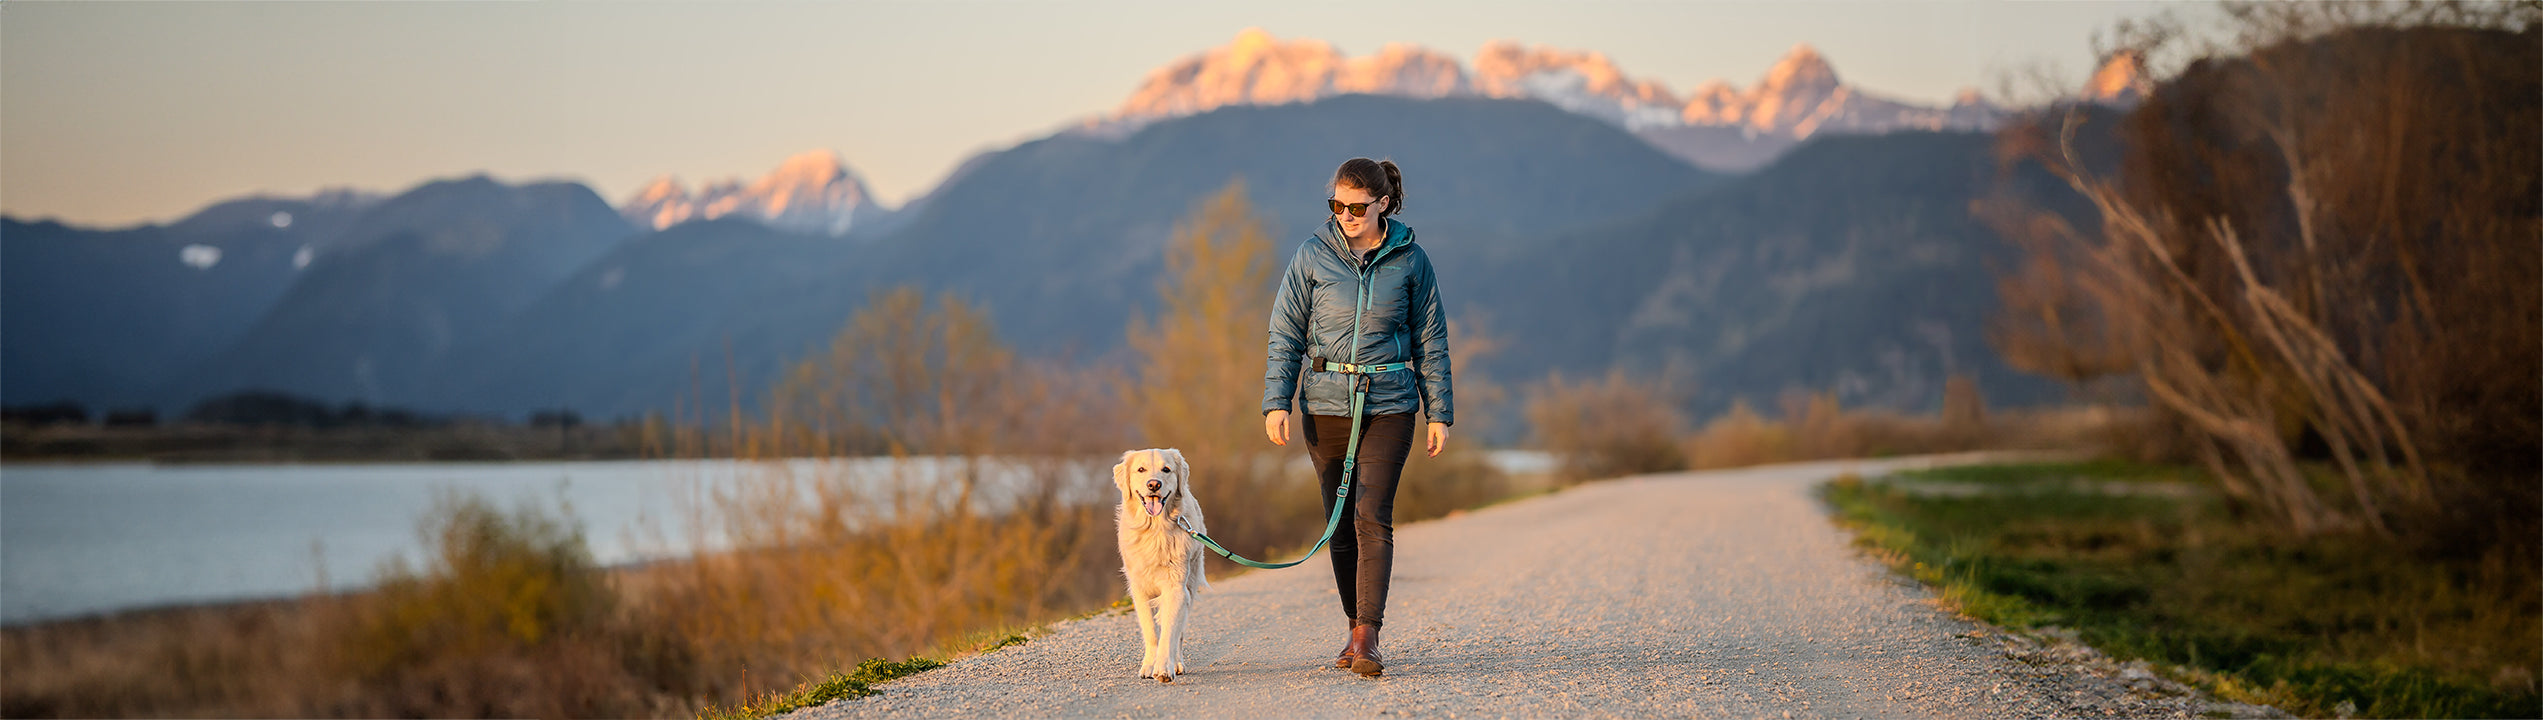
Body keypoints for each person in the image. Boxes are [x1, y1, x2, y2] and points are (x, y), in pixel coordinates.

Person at [1261, 157, 1453, 678]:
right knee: (1339, 523)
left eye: (1357, 206)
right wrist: (1277, 400)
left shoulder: (1412, 260)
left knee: (1371, 513)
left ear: (1382, 204)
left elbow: (1431, 339)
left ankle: (1367, 635)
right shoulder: (1311, 255)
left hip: (1390, 401)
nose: (1346, 214)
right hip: (1324, 405)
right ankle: (1352, 624)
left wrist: (1440, 411)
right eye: (1337, 205)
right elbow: (1285, 333)